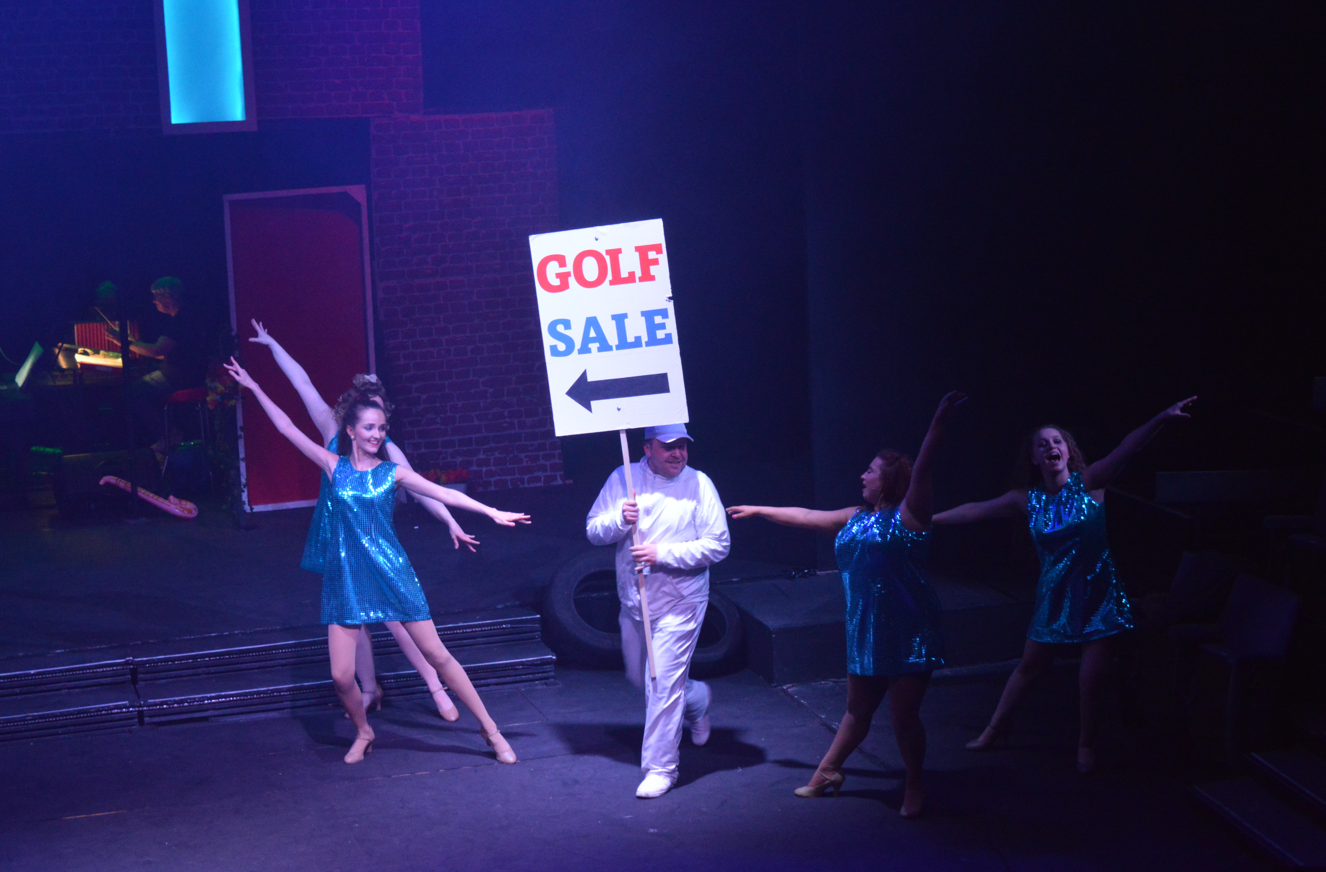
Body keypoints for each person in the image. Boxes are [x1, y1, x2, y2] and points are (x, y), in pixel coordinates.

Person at [223, 356, 529, 765]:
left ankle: (490, 730)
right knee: (340, 676)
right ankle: (364, 731)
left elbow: (442, 493)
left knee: (438, 655)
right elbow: (287, 428)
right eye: (369, 427)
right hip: (346, 577)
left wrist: (490, 511)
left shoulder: (391, 472)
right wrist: (254, 386)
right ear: (350, 430)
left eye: (381, 428)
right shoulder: (333, 465)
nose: (376, 434)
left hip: (391, 571)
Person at [727, 391, 964, 818]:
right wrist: (760, 509)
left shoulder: (911, 514)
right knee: (857, 711)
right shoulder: (856, 517)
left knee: (903, 718)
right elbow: (805, 516)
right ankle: (828, 772)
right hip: (866, 629)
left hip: (909, 630)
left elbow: (924, 466)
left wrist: (939, 422)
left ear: (887, 480)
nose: (862, 475)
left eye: (870, 470)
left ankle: (914, 782)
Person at [933, 396, 1196, 774]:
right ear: (1034, 458)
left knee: (1090, 681)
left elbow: (1128, 447)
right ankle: (995, 728)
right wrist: (928, 520)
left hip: (1099, 598)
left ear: (1068, 452)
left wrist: (1161, 418)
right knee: (1028, 667)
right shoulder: (1026, 500)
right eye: (1042, 444)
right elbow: (975, 510)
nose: (1050, 447)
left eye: (1057, 441)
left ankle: (1086, 744)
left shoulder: (1091, 484)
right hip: (1055, 599)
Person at [248, 320, 476, 720]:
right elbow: (301, 382)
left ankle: (435, 686)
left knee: (394, 616)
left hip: (370, 534)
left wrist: (450, 522)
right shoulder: (331, 428)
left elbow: (425, 492)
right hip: (335, 530)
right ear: (353, 414)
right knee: (354, 615)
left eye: (380, 415)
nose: (375, 422)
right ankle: (369, 689)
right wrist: (271, 344)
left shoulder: (387, 450)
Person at [586, 424, 730, 799]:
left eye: (682, 446)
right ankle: (697, 700)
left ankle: (661, 768)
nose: (678, 454)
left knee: (661, 685)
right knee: (642, 678)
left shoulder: (699, 484)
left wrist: (661, 554)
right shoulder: (622, 477)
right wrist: (620, 519)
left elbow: (718, 545)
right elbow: (594, 530)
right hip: (634, 600)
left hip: (681, 601)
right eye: (668, 447)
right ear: (647, 448)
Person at [108, 277, 210, 453]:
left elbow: (157, 350)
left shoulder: (180, 321)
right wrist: (134, 343)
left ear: (167, 297)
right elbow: (170, 352)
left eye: (156, 296)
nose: (153, 301)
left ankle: (168, 434)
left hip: (180, 376)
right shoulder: (185, 317)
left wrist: (126, 343)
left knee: (131, 394)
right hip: (183, 373)